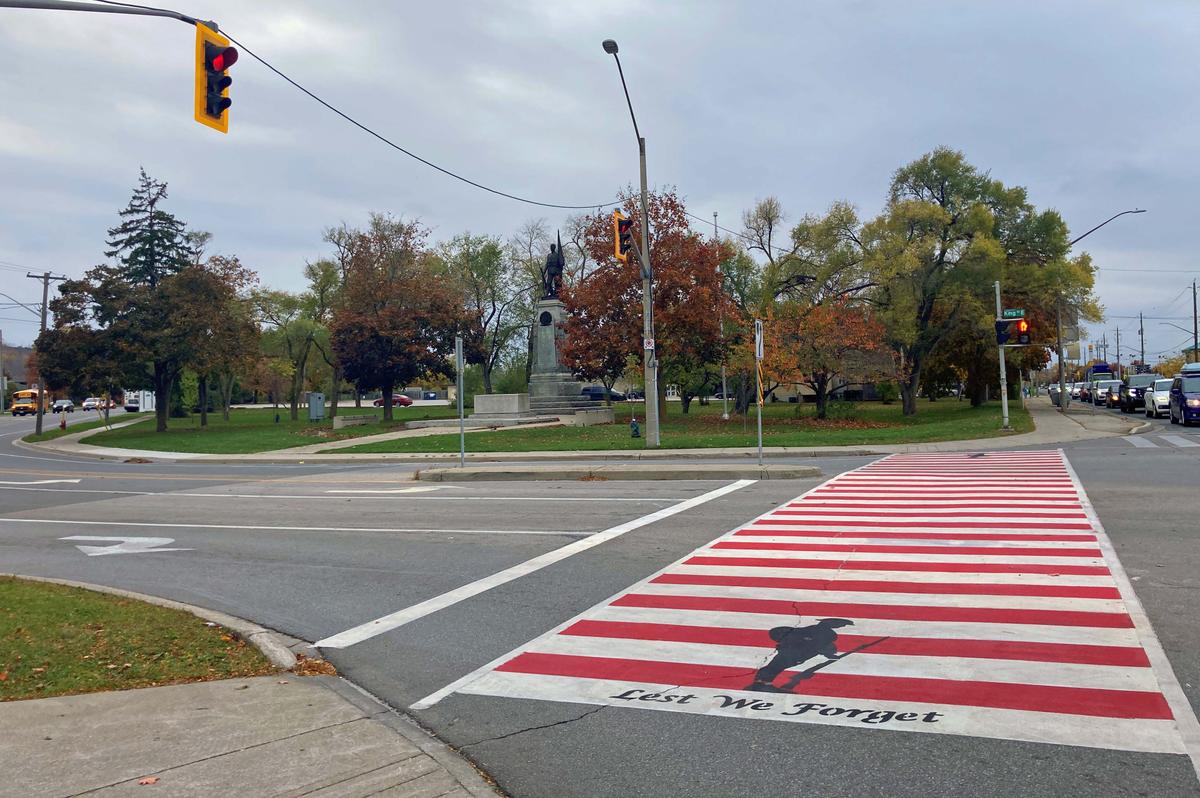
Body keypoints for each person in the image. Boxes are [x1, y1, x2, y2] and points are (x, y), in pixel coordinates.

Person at [750, 618, 854, 690]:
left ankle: (764, 682)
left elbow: (822, 645)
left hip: (799, 654)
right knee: (776, 666)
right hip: (793, 652)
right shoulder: (823, 632)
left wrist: (828, 654)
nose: (841, 626)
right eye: (840, 624)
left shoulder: (827, 633)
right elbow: (817, 644)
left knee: (777, 666)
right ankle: (762, 682)